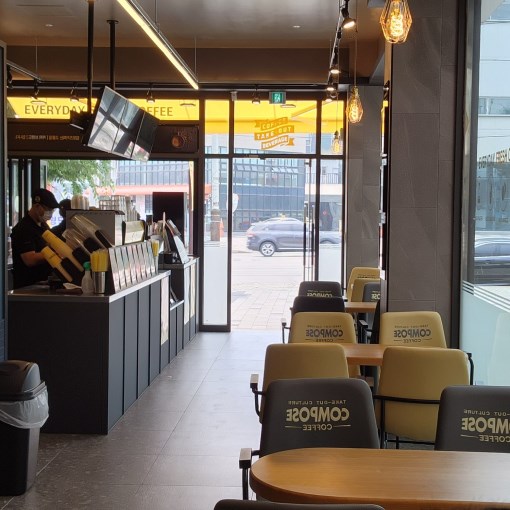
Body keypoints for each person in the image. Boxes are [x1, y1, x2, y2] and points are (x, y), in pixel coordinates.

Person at [11, 188, 59, 289]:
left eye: (52, 210)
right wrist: (55, 253)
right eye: (48, 210)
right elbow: (30, 259)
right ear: (37, 206)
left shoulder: (43, 226)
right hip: (27, 287)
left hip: (43, 284)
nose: (50, 213)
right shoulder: (23, 228)